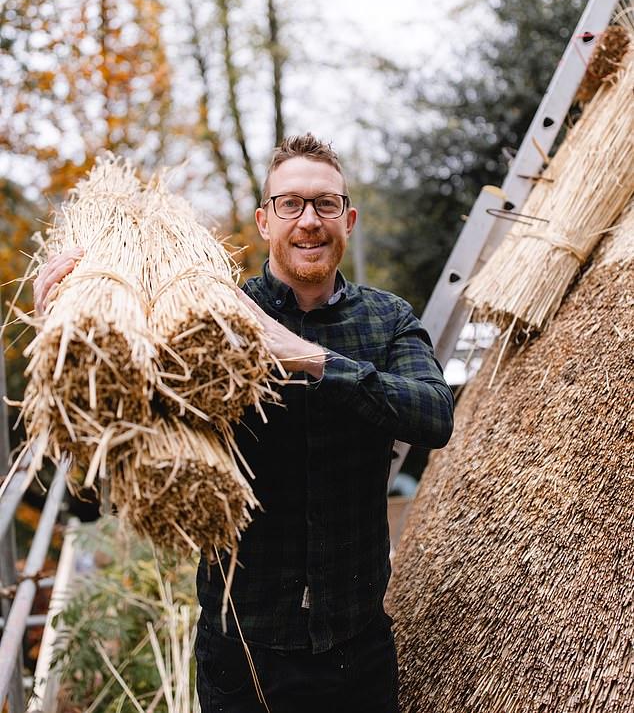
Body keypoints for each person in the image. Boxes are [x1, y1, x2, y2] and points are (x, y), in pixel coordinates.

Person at [33, 134, 454, 713]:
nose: (309, 221)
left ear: (349, 219)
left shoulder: (388, 318)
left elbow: (433, 415)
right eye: (291, 205)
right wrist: (64, 335)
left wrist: (313, 360)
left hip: (356, 648)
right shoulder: (207, 319)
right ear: (265, 220)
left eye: (326, 204)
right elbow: (117, 436)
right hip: (244, 652)